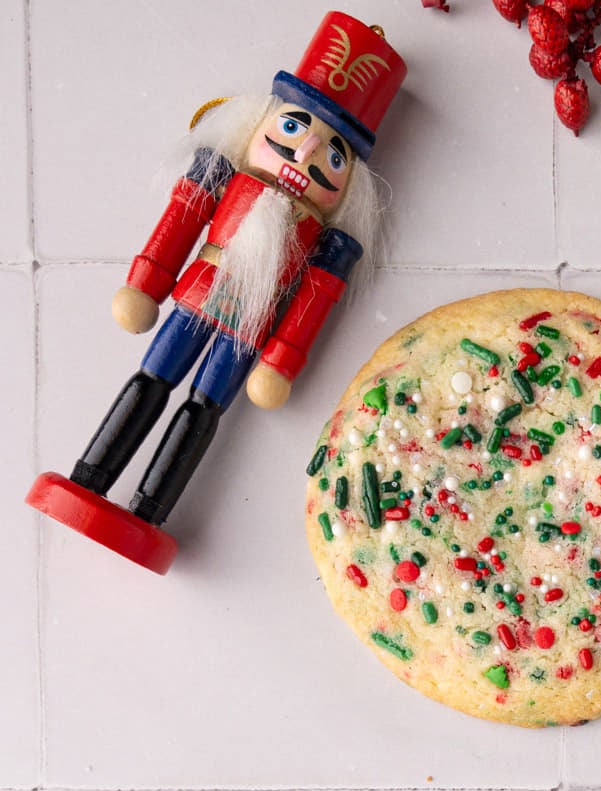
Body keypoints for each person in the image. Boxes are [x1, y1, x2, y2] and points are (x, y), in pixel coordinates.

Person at [27, 12, 405, 572]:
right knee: (151, 379)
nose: (303, 158)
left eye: (333, 155)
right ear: (257, 124)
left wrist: (281, 361)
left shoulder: (329, 245)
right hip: (195, 299)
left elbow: (311, 301)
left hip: (248, 328)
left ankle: (151, 507)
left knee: (204, 409)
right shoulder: (218, 176)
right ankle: (92, 476)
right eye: (296, 129)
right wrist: (146, 285)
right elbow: (179, 224)